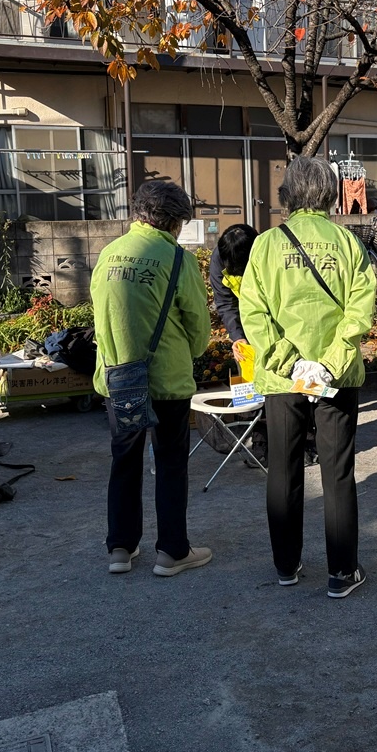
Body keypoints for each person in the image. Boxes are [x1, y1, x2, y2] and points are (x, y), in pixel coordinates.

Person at [240, 156, 377, 599]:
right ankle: (342, 571)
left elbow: (253, 312)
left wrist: (288, 361)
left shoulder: (264, 245)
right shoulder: (346, 241)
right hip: (335, 377)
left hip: (284, 379)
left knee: (282, 467)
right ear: (331, 194)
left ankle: (286, 564)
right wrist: (329, 362)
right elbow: (360, 309)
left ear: (286, 195)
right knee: (337, 472)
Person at [92, 180, 213, 577]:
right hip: (166, 380)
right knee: (171, 462)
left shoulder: (108, 254)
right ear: (175, 223)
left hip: (119, 377)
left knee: (124, 460)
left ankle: (120, 548)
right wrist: (192, 351)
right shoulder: (177, 260)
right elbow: (197, 327)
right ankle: (172, 551)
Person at [208, 223, 276, 468]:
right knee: (249, 389)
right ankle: (260, 445)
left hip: (278, 325)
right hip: (245, 329)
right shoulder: (220, 259)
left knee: (290, 386)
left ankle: (305, 442)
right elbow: (224, 303)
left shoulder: (271, 253)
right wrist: (238, 336)